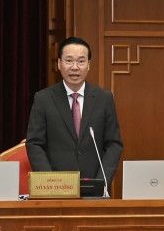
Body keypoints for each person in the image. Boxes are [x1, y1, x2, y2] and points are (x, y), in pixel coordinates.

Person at [26, 37, 123, 190]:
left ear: (89, 65)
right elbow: (34, 144)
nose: (75, 67)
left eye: (81, 61)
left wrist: (102, 181)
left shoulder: (104, 98)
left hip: (95, 187)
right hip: (56, 188)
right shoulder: (43, 99)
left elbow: (114, 145)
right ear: (59, 64)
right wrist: (49, 182)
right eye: (69, 61)